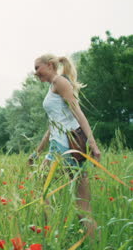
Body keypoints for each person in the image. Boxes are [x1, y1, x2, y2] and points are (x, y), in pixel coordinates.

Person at [28, 54, 101, 237]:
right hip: (62, 146)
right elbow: (52, 125)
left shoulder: (60, 82)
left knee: (46, 191)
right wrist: (37, 152)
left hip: (66, 148)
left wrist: (93, 144)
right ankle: (89, 241)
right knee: (82, 205)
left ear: (50, 65)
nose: (35, 72)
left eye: (38, 68)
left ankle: (50, 235)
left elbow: (78, 112)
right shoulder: (53, 86)